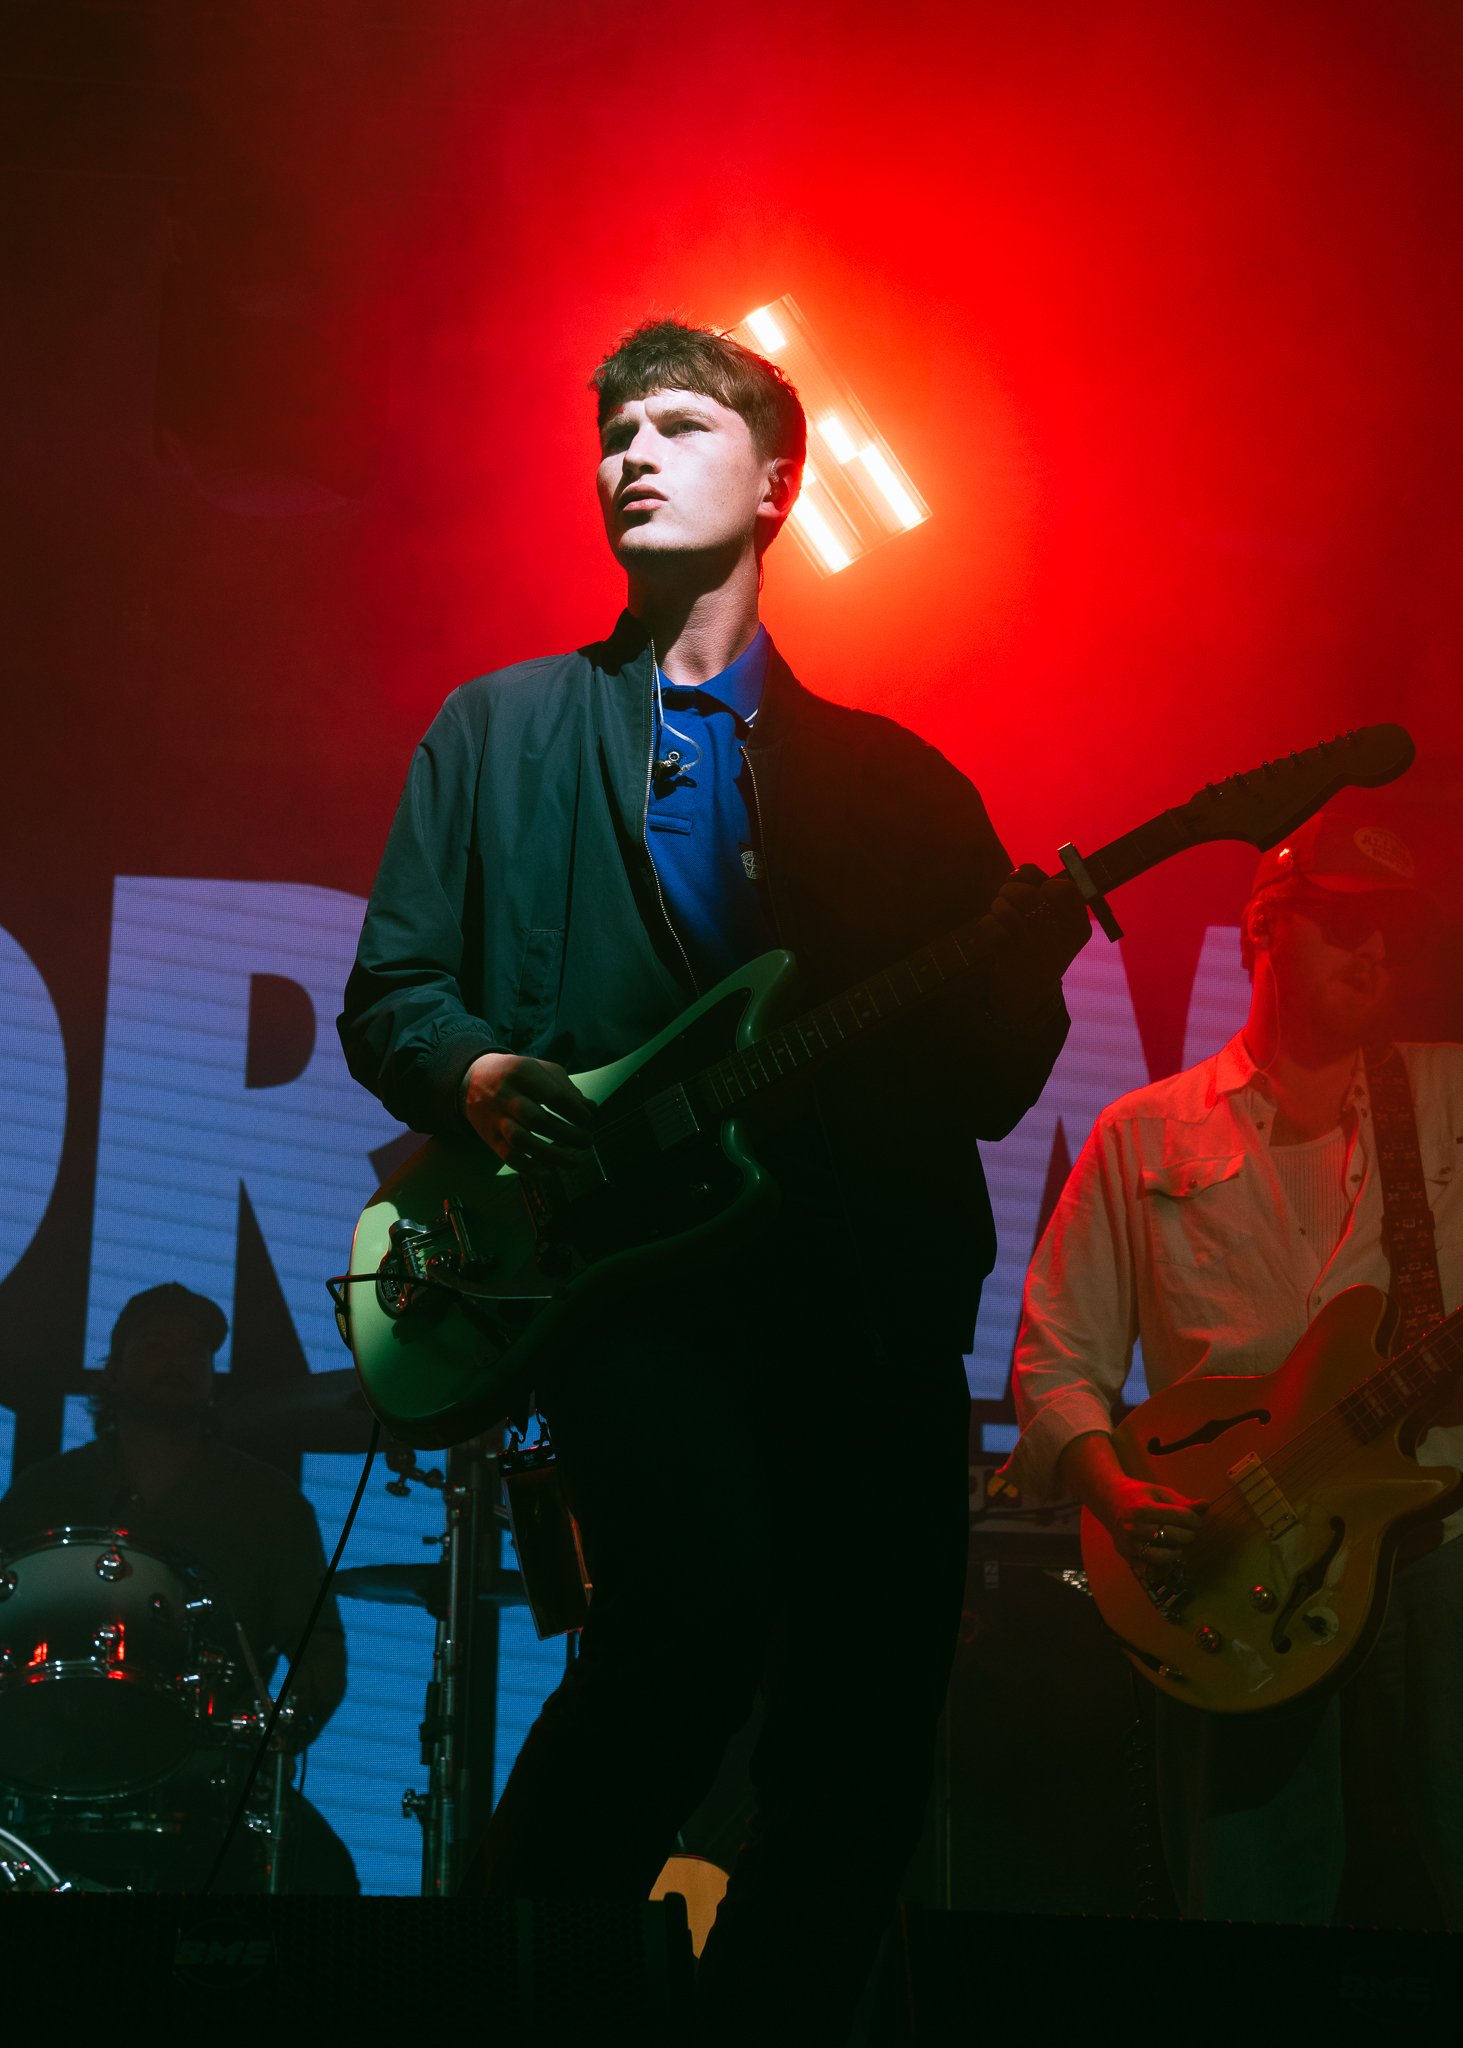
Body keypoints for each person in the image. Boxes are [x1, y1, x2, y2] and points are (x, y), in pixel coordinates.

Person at [338, 318, 1088, 2038]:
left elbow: (985, 1080)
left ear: (778, 485)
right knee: (687, 1615)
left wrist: (1016, 960)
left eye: (677, 422)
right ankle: (502, 1989)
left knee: (863, 1719)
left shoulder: (896, 786)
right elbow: (390, 989)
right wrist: (477, 1070)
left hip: (871, 1302)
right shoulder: (497, 735)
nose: (628, 449)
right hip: (637, 1286)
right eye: (610, 426)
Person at [1006, 809, 1463, 1925]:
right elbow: (1055, 1358)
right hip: (1233, 1566)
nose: (1373, 952)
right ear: (1262, 928)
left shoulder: (1447, 1101)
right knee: (1251, 1934)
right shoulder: (1139, 1133)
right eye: (1341, 921)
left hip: (1440, 1549)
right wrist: (1113, 1494)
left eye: (1386, 932)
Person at [0, 1281, 356, 1893]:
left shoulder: (271, 1506)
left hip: (210, 1787)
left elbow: (319, 1652)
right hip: (49, 1770)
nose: (178, 1359)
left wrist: (269, 1728)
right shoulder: (42, 1493)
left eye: (197, 1351)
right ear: (111, 1372)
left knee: (323, 1885)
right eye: (157, 1344)